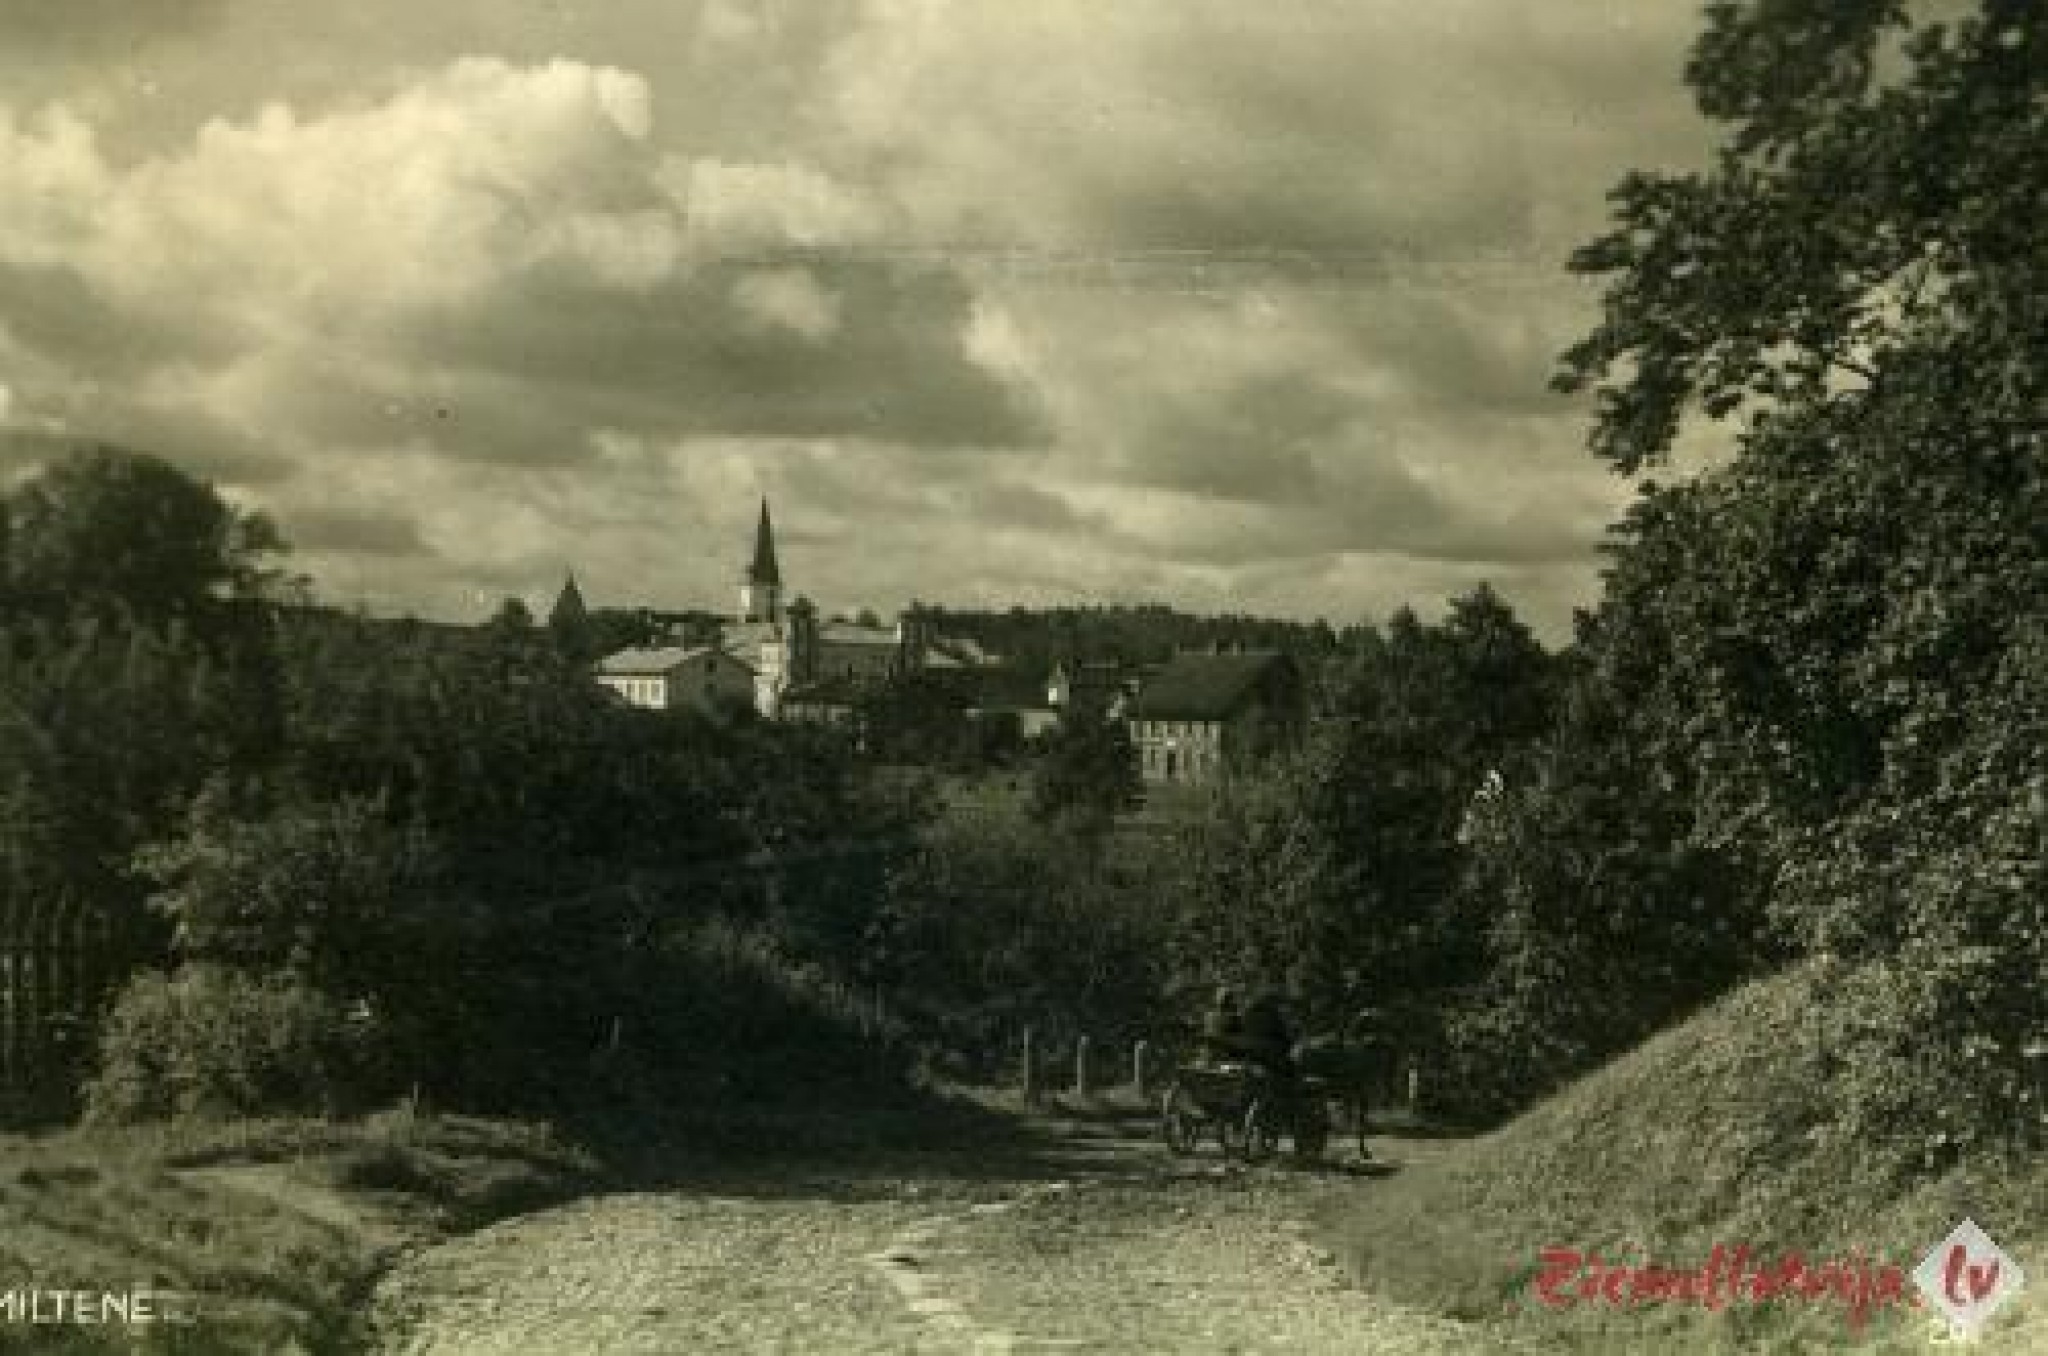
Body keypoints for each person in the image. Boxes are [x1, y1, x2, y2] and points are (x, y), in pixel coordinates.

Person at [1199, 986, 1246, 1064]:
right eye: (1231, 999)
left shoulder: (1209, 1015)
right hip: (1225, 1055)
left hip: (1213, 1054)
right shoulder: (1233, 1018)